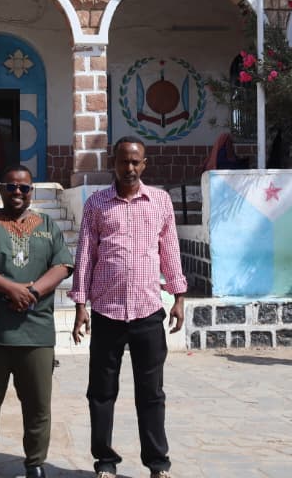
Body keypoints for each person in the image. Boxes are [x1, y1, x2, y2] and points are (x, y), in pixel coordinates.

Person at [69, 136, 188, 478]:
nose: (130, 168)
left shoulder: (160, 201)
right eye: (124, 161)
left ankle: (157, 463)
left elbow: (170, 250)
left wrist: (179, 297)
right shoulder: (97, 204)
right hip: (107, 312)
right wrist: (80, 304)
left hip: (148, 312)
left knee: (151, 393)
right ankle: (105, 462)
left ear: (144, 164)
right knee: (101, 393)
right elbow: (85, 254)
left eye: (136, 162)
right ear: (114, 163)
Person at [0, 165, 74, 478]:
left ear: (32, 190)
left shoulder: (47, 225)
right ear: (1, 189)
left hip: (35, 331)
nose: (18, 193)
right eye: (11, 187)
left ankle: (35, 463)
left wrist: (32, 292)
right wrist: (10, 288)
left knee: (38, 404)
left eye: (24, 188)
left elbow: (62, 265)